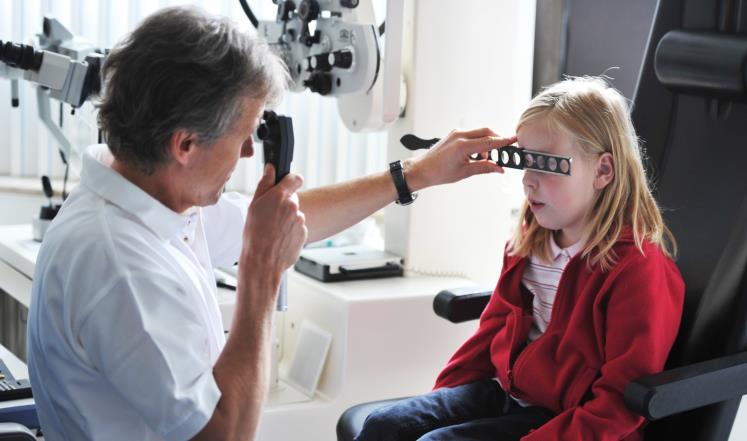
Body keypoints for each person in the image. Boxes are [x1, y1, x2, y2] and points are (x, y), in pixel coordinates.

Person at [25, 6, 513, 441]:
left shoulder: (148, 191)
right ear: (185, 145)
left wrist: (417, 173)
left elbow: (289, 218)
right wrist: (261, 274)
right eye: (242, 135)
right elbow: (225, 434)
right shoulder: (120, 266)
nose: (247, 152)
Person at [355, 76, 686, 441]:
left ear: (603, 171)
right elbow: (491, 332)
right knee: (383, 426)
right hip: (509, 393)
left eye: (545, 165)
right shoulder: (530, 243)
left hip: (568, 419)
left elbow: (620, 403)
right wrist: (440, 401)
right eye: (525, 163)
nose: (528, 181)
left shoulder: (636, 269)